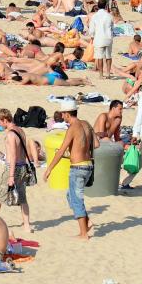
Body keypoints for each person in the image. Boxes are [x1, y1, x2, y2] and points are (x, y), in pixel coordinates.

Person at [43, 99, 95, 240]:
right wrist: (77, 151)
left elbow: (60, 151)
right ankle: (87, 221)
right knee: (70, 195)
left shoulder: (73, 127)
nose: (62, 116)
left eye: (63, 114)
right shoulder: (86, 124)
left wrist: (49, 169)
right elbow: (96, 144)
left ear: (66, 114)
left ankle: (84, 234)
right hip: (88, 166)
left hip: (78, 168)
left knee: (76, 199)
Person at [0, 109, 34, 233]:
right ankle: (26, 225)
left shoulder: (10, 135)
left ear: (5, 120)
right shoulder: (20, 130)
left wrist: (10, 176)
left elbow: (13, 156)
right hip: (22, 167)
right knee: (23, 198)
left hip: (12, 168)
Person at [87, 0, 115, 78]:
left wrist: (92, 37)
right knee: (108, 56)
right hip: (108, 37)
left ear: (98, 6)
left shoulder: (95, 16)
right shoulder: (109, 16)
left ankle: (101, 74)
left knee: (99, 57)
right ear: (106, 6)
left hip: (98, 38)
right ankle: (108, 73)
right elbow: (112, 27)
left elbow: (91, 29)